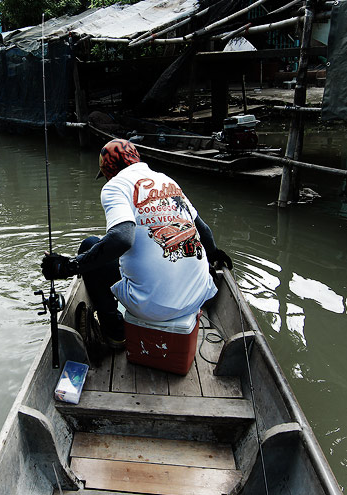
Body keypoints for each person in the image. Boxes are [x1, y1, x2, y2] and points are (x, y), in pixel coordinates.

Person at [41, 138, 232, 349]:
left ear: (108, 170)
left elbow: (122, 238)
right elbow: (203, 229)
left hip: (153, 306)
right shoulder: (167, 181)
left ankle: (115, 333)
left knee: (90, 245)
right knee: (108, 244)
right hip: (198, 298)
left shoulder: (115, 186)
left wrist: (69, 266)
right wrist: (213, 253)